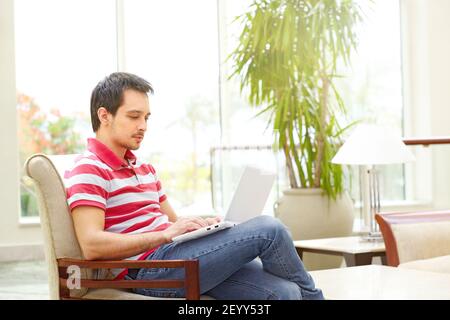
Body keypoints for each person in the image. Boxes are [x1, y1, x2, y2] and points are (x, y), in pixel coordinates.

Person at [65, 72, 324, 300]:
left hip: (177, 257)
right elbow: (91, 245)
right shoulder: (89, 168)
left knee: (284, 293)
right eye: (134, 116)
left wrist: (205, 228)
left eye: (146, 117)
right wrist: (164, 235)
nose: (143, 126)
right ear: (104, 115)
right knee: (269, 228)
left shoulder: (144, 169)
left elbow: (173, 225)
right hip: (150, 270)